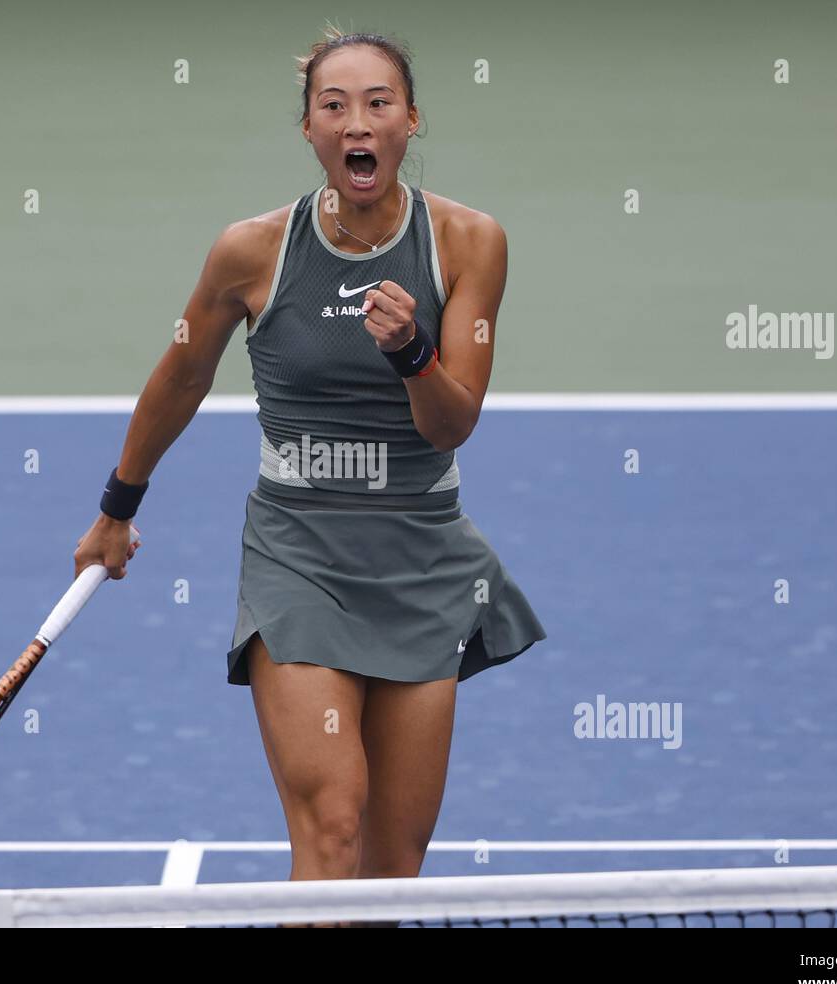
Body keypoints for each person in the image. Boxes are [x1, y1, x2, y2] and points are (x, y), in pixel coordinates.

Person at [75, 26, 546, 904]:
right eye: (334, 106)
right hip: (299, 556)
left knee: (390, 872)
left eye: (377, 104)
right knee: (332, 828)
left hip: (422, 556)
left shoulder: (469, 243)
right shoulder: (250, 251)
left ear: (410, 122)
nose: (355, 122)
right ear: (309, 130)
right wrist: (117, 505)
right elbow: (182, 375)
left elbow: (453, 426)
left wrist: (411, 353)